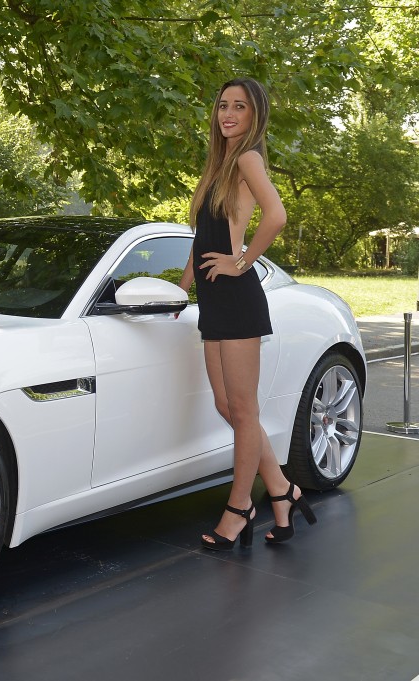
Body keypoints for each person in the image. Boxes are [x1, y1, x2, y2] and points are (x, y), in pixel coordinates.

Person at [178, 77, 316, 550]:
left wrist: (241, 263)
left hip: (236, 300)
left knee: (243, 409)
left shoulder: (247, 158)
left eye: (239, 106)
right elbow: (200, 242)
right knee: (228, 407)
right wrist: (181, 290)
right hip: (214, 301)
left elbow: (275, 216)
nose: (228, 113)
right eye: (222, 106)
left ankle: (240, 508)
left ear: (255, 114)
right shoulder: (217, 165)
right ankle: (283, 490)